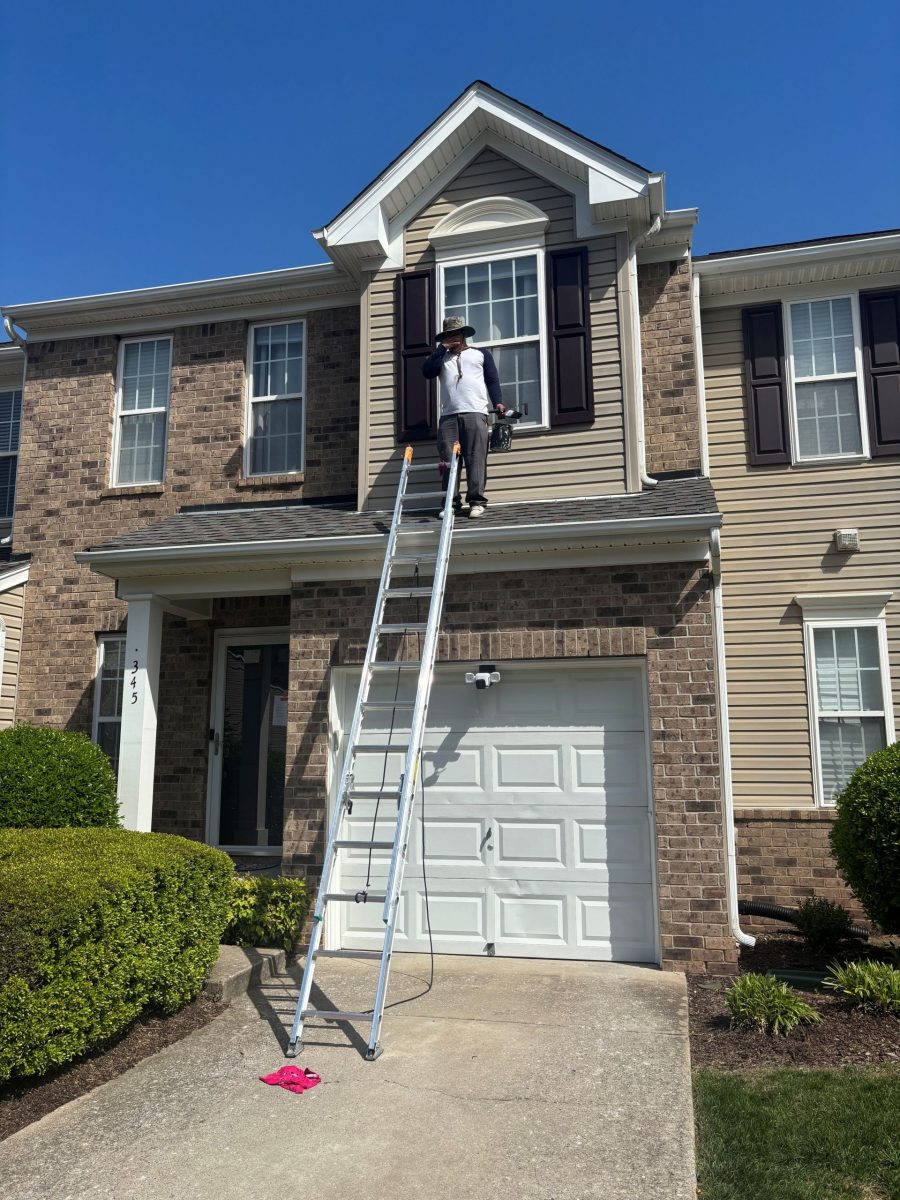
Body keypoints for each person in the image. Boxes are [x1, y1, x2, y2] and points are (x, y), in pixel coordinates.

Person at [422, 316, 505, 518]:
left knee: (476, 457)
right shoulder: (441, 358)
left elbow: (492, 380)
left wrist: (498, 402)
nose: (453, 338)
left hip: (476, 411)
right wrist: (442, 348)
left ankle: (476, 501)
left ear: (464, 334)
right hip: (449, 415)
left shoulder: (480, 354)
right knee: (449, 461)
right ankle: (451, 502)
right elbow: (426, 371)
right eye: (449, 335)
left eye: (456, 333)